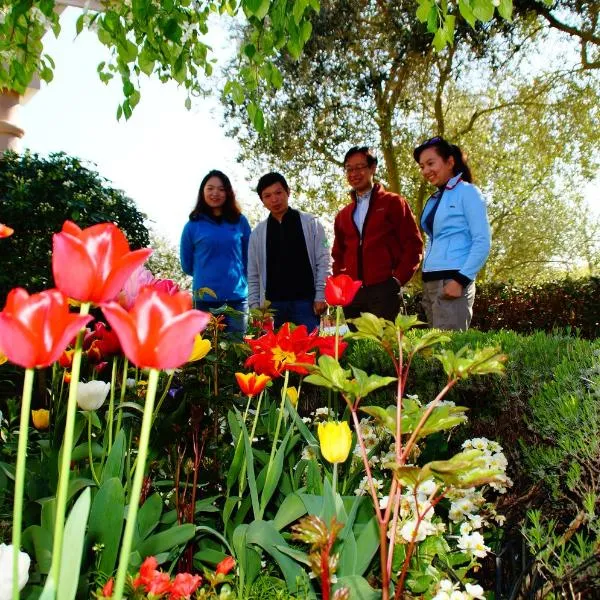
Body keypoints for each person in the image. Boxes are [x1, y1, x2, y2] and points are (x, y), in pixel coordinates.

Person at [332, 146, 423, 321]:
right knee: (358, 346)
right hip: (353, 295)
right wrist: (341, 284)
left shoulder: (394, 203)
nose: (354, 173)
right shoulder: (343, 215)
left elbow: (413, 245)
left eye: (359, 167)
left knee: (385, 345)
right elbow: (338, 254)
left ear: (373, 168)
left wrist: (397, 280)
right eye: (349, 169)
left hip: (384, 290)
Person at [413, 136, 491, 330]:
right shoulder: (434, 199)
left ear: (450, 162)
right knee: (434, 353)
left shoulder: (468, 192)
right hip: (431, 282)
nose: (426, 171)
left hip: (452, 282)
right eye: (422, 166)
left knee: (450, 351)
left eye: (431, 163)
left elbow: (482, 241)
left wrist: (460, 280)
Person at [248, 172, 330, 330]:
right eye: (267, 196)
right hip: (272, 308)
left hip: (306, 304)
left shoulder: (311, 224)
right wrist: (254, 307)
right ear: (262, 200)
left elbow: (324, 260)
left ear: (288, 192)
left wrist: (321, 295)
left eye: (278, 193)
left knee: (309, 352)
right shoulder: (257, 234)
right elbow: (253, 273)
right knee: (275, 354)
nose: (274, 199)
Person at [180, 170, 251, 335]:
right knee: (206, 352)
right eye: (210, 188)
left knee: (236, 352)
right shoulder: (192, 225)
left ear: (228, 193)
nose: (215, 193)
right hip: (204, 302)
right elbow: (187, 265)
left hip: (237, 300)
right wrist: (208, 274)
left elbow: (250, 259)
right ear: (202, 192)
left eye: (221, 189)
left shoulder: (240, 221)